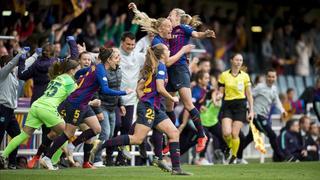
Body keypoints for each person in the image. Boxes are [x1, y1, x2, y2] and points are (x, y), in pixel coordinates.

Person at [92, 44, 192, 175]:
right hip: (149, 107)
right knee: (137, 139)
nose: (169, 51)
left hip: (153, 107)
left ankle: (176, 169)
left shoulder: (153, 67)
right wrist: (172, 99)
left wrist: (143, 98)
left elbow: (139, 88)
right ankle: (102, 144)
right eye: (167, 50)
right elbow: (160, 88)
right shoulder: (160, 67)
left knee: (174, 133)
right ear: (162, 54)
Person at [40, 47, 132, 170]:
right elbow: (104, 90)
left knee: (96, 128)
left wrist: (78, 81)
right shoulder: (101, 71)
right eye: (116, 58)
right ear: (108, 60)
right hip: (76, 103)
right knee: (68, 133)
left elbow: (79, 73)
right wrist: (123, 93)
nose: (118, 61)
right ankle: (47, 158)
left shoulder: (96, 67)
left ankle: (73, 145)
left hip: (84, 103)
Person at [0, 59, 80, 169]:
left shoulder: (57, 78)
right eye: (77, 70)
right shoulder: (70, 81)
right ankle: (52, 161)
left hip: (36, 105)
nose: (78, 72)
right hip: (48, 108)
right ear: (72, 71)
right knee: (65, 134)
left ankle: (3, 155)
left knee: (24, 134)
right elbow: (77, 98)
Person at [236, 68, 287, 163]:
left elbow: (277, 101)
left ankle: (237, 156)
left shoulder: (274, 89)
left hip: (264, 116)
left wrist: (282, 110)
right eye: (269, 76)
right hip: (257, 116)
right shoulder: (260, 87)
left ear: (276, 78)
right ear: (266, 77)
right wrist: (248, 111)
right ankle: (281, 157)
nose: (271, 78)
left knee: (249, 138)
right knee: (272, 135)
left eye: (273, 76)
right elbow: (249, 97)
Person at [217, 53, 254, 164]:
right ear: (231, 60)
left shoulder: (245, 76)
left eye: (241, 60)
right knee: (226, 133)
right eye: (237, 60)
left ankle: (234, 156)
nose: (239, 62)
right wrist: (218, 96)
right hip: (227, 105)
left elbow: (249, 95)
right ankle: (229, 146)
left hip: (240, 106)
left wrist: (251, 110)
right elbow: (221, 92)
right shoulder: (224, 75)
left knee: (234, 133)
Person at [0, 48, 30, 169]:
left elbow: (26, 64)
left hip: (10, 111)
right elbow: (12, 64)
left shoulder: (12, 74)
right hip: (2, 108)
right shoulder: (2, 73)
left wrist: (34, 55)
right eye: (12, 63)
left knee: (17, 135)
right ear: (6, 64)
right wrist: (19, 55)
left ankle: (12, 162)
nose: (15, 65)